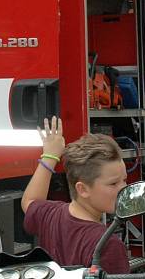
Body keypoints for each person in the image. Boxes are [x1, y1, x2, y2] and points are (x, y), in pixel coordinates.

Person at [21, 117, 130, 273]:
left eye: (124, 180)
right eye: (113, 183)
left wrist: (50, 156)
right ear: (83, 189)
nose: (123, 189)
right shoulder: (108, 246)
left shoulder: (50, 215)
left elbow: (29, 201)